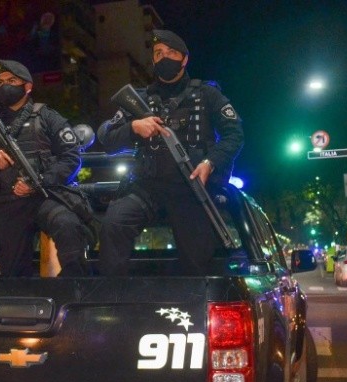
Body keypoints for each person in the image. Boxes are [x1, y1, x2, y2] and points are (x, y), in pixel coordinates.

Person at [96, 29, 244, 276]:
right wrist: (133, 128)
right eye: (158, 53)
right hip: (147, 187)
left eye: (171, 52)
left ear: (184, 59)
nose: (164, 57)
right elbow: (106, 137)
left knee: (197, 257)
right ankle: (114, 294)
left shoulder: (207, 94)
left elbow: (234, 134)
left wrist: (210, 162)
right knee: (114, 223)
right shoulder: (140, 99)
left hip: (191, 187)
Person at [0, 59, 89, 277]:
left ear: (28, 86)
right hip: (7, 203)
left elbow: (71, 158)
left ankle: (75, 287)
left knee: (68, 226)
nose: (5, 85)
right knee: (13, 273)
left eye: (11, 81)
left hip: (45, 197)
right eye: (0, 81)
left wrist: (39, 181)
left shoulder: (47, 117)